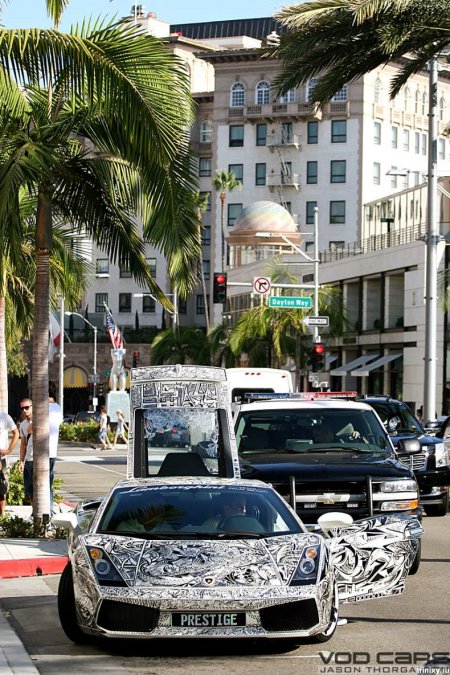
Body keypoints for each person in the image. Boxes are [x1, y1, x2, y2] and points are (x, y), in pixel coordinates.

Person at [0, 408, 20, 516]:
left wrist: (9, 450)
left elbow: (16, 432)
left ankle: (2, 514)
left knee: (2, 486)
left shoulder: (4, 416)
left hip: (1, 457)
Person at [18, 397, 33, 507]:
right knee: (29, 490)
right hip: (28, 460)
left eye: (27, 408)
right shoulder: (23, 424)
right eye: (22, 408)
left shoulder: (41, 421)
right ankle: (35, 512)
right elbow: (23, 444)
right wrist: (21, 461)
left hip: (40, 460)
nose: (24, 410)